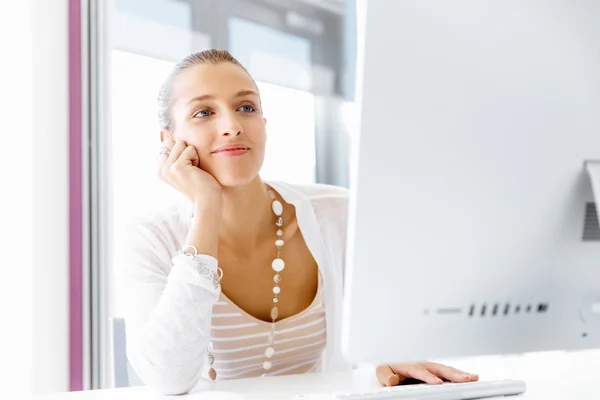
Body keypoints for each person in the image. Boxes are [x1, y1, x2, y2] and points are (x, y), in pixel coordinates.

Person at [122, 49, 479, 395]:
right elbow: (168, 379)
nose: (231, 126)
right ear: (168, 141)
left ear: (263, 124)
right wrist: (206, 207)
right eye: (203, 112)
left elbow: (397, 331)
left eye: (246, 107)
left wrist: (392, 356)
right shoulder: (152, 238)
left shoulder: (338, 215)